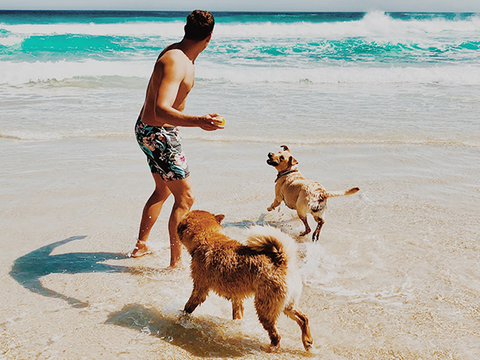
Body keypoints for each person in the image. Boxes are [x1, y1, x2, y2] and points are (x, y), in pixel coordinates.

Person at [131, 10, 223, 267]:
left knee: (162, 190)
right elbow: (161, 109)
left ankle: (141, 246)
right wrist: (199, 121)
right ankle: (176, 263)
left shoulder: (177, 52)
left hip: (149, 130)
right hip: (158, 133)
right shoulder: (177, 61)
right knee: (185, 198)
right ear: (209, 37)